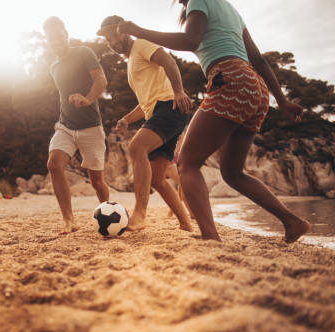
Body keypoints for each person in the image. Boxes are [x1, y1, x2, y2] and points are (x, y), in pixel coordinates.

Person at [117, 0, 311, 242]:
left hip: (229, 79)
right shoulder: (229, 8)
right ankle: (293, 222)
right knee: (233, 173)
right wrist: (281, 100)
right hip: (256, 88)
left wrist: (140, 31)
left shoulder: (199, 1)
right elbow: (259, 60)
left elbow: (190, 41)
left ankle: (210, 235)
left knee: (187, 163)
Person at [97, 15, 192, 232]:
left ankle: (140, 213)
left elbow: (168, 60)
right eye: (108, 39)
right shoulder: (132, 62)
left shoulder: (141, 44)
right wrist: (126, 120)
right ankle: (186, 224)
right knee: (158, 178)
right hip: (159, 110)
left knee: (136, 147)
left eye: (114, 34)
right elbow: (145, 104)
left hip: (170, 106)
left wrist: (178, 91)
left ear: (125, 30)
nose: (112, 42)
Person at [43, 17, 110, 234]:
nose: (56, 41)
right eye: (51, 38)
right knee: (54, 164)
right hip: (65, 126)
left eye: (58, 35)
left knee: (97, 182)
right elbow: (63, 95)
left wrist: (88, 99)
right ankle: (68, 220)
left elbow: (101, 80)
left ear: (66, 34)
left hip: (91, 126)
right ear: (49, 40)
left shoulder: (83, 53)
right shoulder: (53, 66)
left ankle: (107, 214)